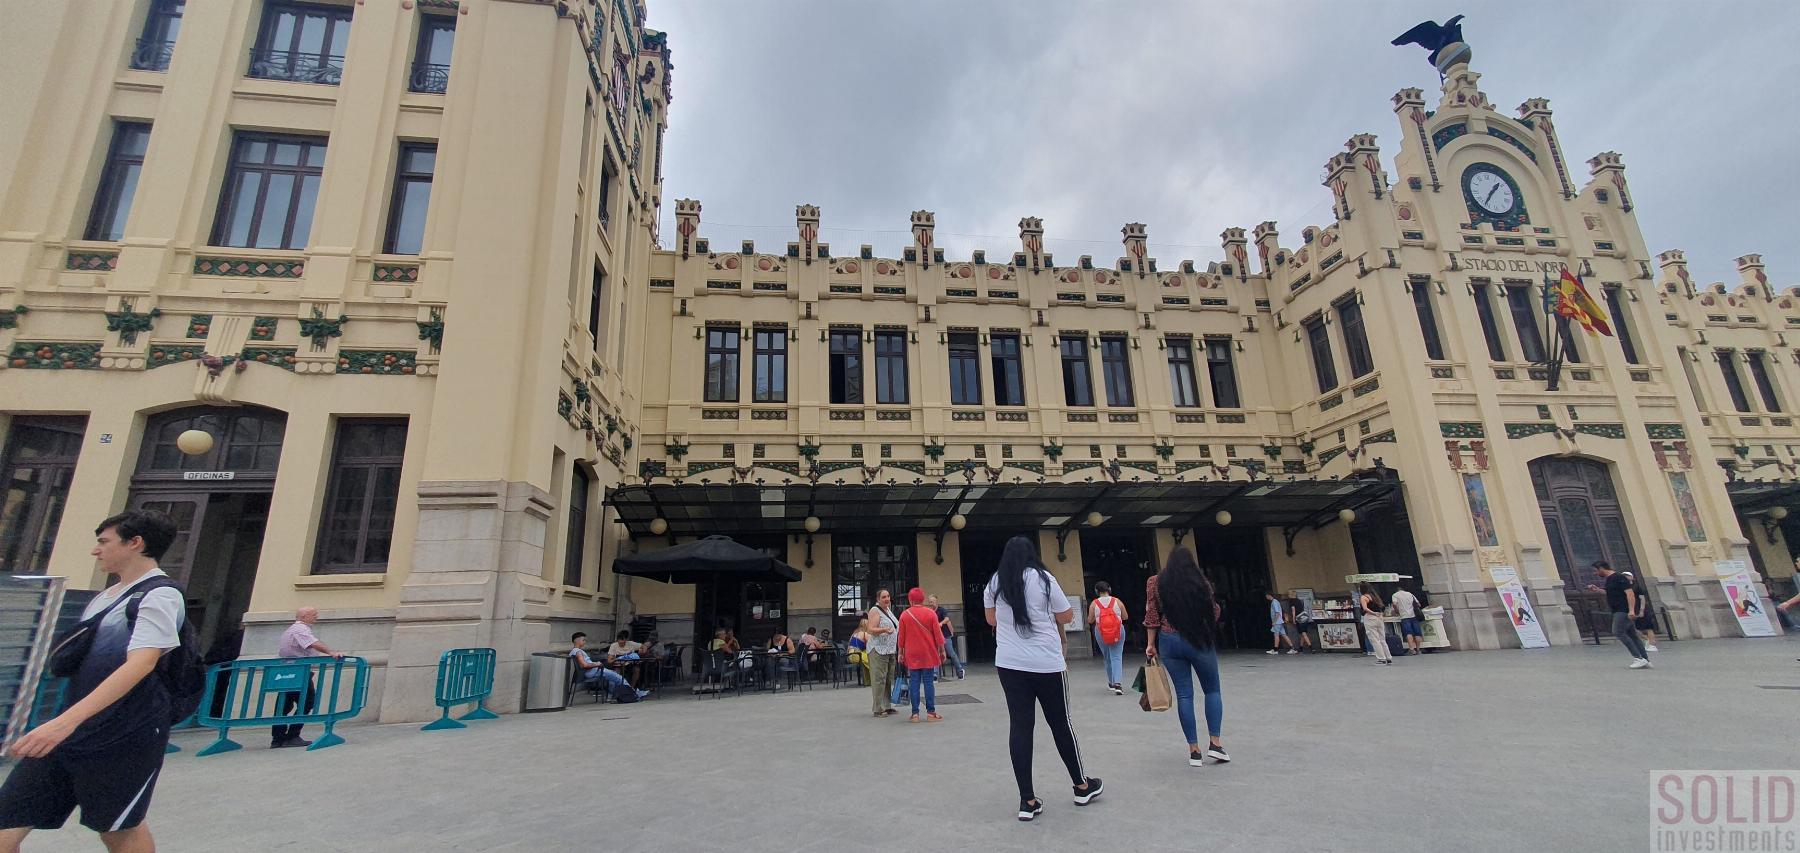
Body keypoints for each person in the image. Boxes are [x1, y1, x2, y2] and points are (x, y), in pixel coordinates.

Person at [0, 510, 186, 852]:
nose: (95, 550)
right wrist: (63, 725)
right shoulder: (106, 596)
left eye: (103, 542)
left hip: (124, 732)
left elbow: (141, 663)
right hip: (70, 731)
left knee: (117, 830)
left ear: (135, 543)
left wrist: (62, 724)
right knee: (6, 823)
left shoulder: (160, 595)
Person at [984, 535, 1101, 822]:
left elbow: (991, 621)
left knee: (1021, 727)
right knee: (1061, 723)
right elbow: (1065, 615)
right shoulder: (1044, 578)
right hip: (1047, 663)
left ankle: (1027, 800)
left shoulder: (995, 582)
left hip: (1010, 664)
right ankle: (1081, 785)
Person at [1145, 548, 1228, 768]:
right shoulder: (1201, 581)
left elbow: (1152, 615)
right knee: (1212, 690)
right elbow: (1214, 611)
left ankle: (1194, 751)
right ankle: (1216, 744)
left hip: (1169, 639)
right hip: (1199, 639)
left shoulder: (1155, 581)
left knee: (1185, 695)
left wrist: (1150, 644)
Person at [272, 606, 343, 749]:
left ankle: (278, 738)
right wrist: (331, 652)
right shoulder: (300, 629)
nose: (316, 617)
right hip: (298, 671)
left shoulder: (293, 629)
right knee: (307, 701)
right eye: (313, 614)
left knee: (285, 704)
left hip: (290, 670)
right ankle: (291, 735)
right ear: (304, 617)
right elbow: (312, 643)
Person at [1585, 561, 1652, 669]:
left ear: (1602, 568)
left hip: (1622, 610)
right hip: (1618, 609)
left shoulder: (1619, 577)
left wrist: (1631, 610)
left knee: (1618, 631)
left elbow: (1630, 594)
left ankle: (1638, 658)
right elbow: (1610, 593)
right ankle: (1645, 659)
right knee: (1633, 635)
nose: (1595, 573)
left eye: (1596, 571)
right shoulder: (1610, 579)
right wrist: (1598, 590)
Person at [896, 588, 945, 722]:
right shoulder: (931, 614)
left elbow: (901, 637)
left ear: (910, 600)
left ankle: (915, 714)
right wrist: (942, 650)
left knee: (914, 682)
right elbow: (938, 635)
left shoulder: (905, 615)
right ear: (922, 599)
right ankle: (931, 712)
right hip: (928, 652)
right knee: (929, 682)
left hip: (912, 653)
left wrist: (900, 652)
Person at [569, 633, 648, 700]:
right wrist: (596, 664)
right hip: (593, 671)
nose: (584, 642)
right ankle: (632, 693)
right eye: (583, 640)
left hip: (592, 671)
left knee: (612, 677)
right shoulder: (578, 651)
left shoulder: (574, 651)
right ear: (577, 640)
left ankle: (615, 695)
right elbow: (584, 665)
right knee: (618, 678)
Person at [1088, 582, 1128, 694]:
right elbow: (1125, 616)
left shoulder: (1094, 604)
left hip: (1101, 632)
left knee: (1107, 656)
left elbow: (1090, 620)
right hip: (1117, 630)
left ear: (1097, 591)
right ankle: (1118, 684)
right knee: (1116, 656)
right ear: (1109, 589)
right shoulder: (1117, 601)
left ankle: (1111, 682)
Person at [866, 589, 901, 717]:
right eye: (883, 597)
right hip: (878, 650)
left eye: (888, 596)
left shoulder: (888, 610)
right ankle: (877, 708)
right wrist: (884, 630)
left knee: (888, 679)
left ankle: (887, 706)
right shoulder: (875, 610)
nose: (887, 599)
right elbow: (870, 629)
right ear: (878, 599)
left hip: (890, 650)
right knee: (879, 679)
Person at [928, 594, 965, 680]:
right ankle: (935, 674)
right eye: (929, 602)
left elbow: (947, 618)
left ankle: (960, 671)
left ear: (936, 602)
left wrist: (941, 623)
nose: (931, 604)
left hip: (945, 635)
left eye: (932, 602)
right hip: (935, 637)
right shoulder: (929, 612)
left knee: (951, 653)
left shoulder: (942, 610)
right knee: (936, 654)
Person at [1624, 572, 1659, 652]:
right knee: (1633, 628)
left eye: (1628, 575)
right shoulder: (1624, 587)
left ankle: (1652, 644)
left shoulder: (1637, 587)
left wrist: (1642, 610)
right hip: (1631, 609)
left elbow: (1642, 598)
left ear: (1632, 577)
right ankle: (1646, 639)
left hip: (1640, 608)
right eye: (1624, 576)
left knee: (1648, 627)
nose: (1626, 577)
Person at [1359, 584, 1392, 666]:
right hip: (1379, 618)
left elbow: (1365, 608)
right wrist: (1379, 614)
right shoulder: (1375, 597)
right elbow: (1382, 607)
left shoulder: (1363, 597)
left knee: (1374, 639)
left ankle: (1381, 658)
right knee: (1382, 639)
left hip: (1370, 618)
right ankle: (1388, 657)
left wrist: (1373, 613)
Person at [1391, 586, 1423, 656]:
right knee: (1417, 633)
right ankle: (1418, 649)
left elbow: (1394, 604)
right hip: (1414, 615)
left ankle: (1411, 649)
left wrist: (1397, 611)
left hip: (1404, 616)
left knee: (1408, 632)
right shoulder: (1410, 594)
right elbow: (1418, 604)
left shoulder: (1395, 595)